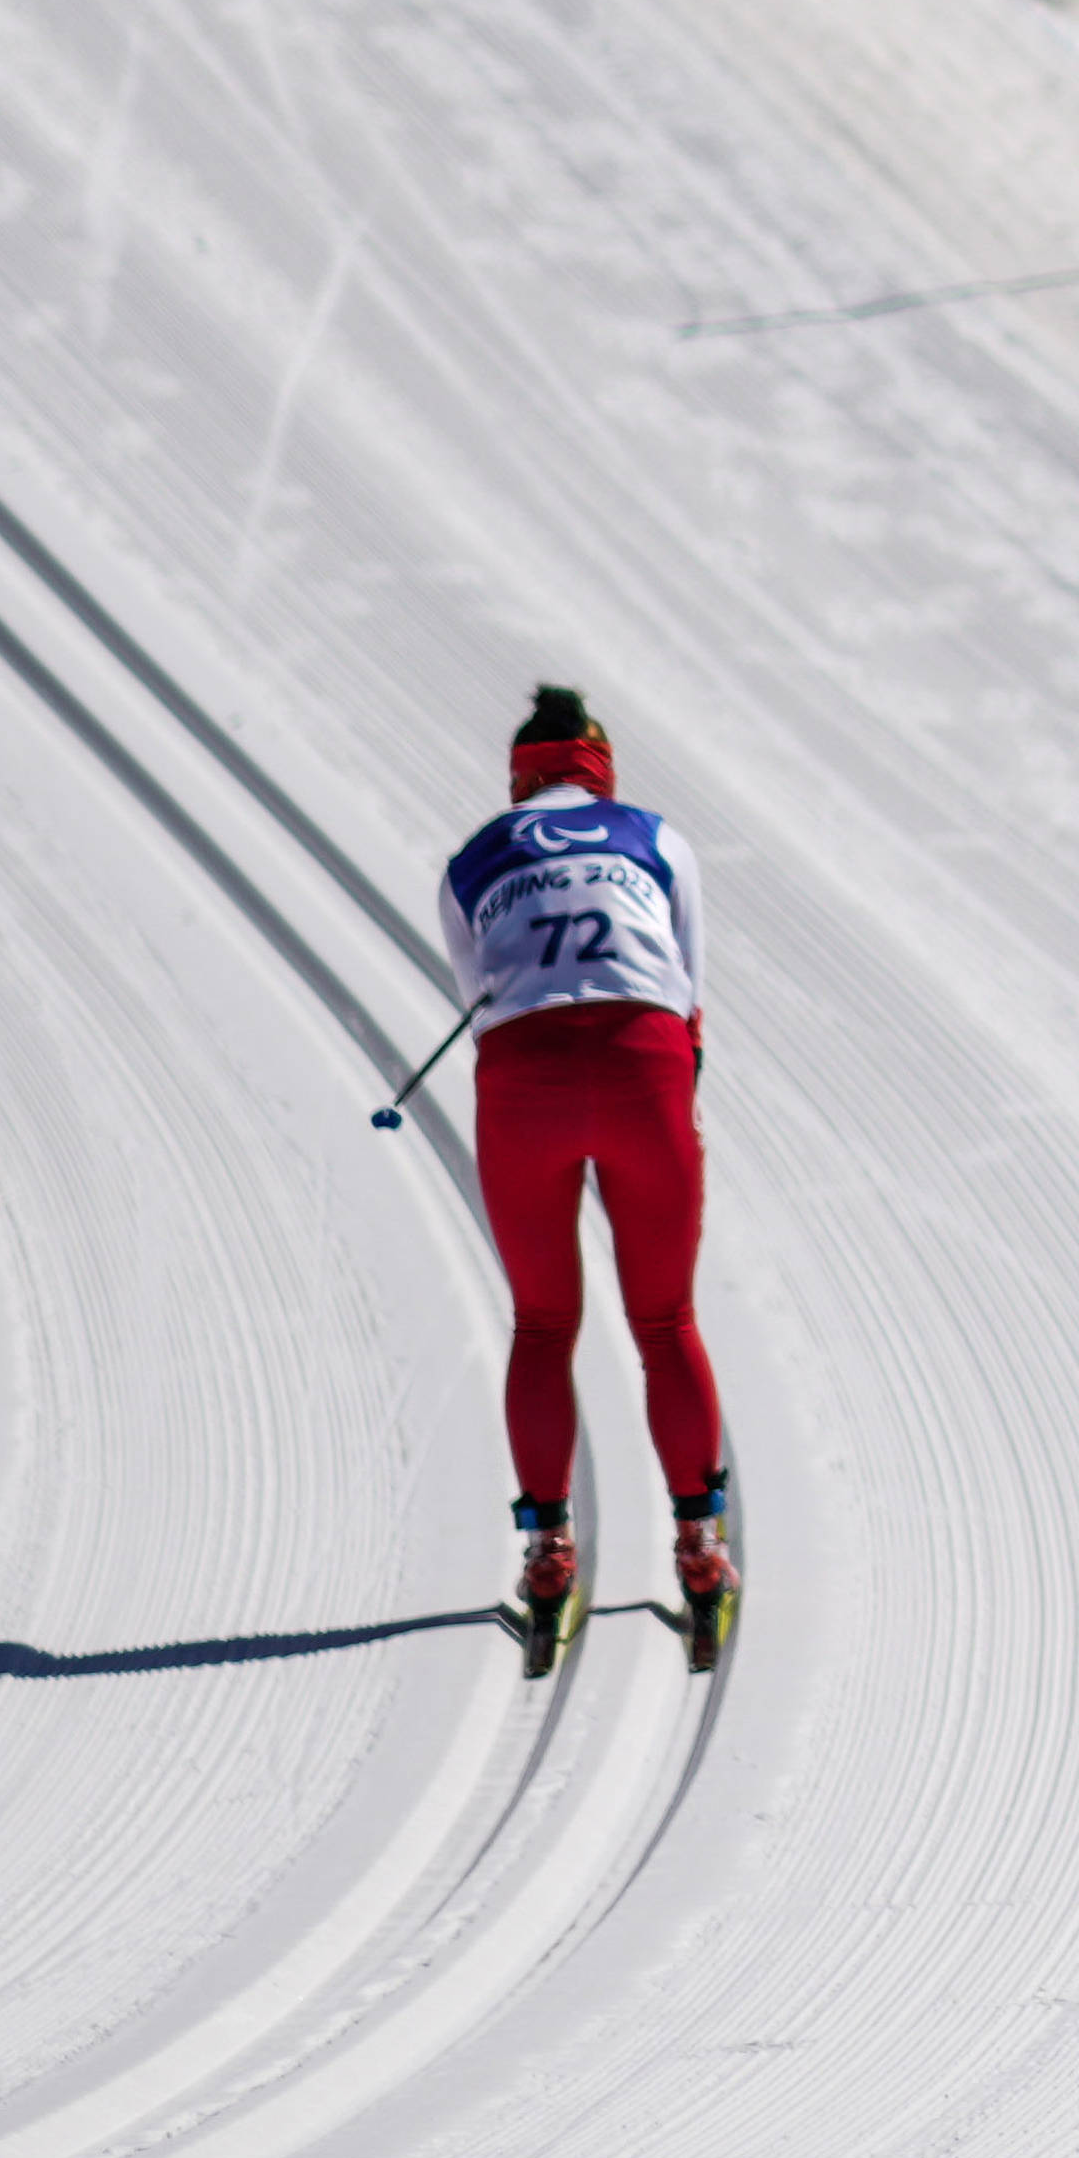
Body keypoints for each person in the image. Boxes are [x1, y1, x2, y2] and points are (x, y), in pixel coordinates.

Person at [437, 684, 735, 1666]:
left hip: (523, 1080)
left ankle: (548, 1553)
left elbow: (475, 993)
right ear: (600, 767)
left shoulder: (473, 858)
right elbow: (687, 988)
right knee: (664, 1319)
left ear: (519, 774)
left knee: (541, 1321)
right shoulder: (654, 835)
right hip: (642, 1061)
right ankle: (699, 1548)